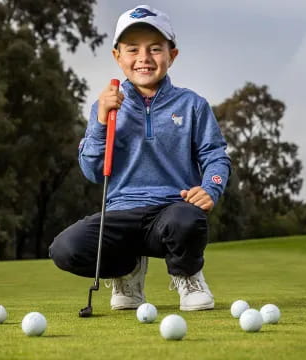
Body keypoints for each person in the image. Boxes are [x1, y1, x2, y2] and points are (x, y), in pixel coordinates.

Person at [49, 5, 231, 311]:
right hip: (120, 213)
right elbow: (93, 171)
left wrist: (210, 188)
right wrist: (101, 121)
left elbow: (215, 156)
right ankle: (126, 271)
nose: (144, 58)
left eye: (155, 48)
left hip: (172, 209)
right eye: (132, 49)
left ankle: (188, 276)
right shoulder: (104, 106)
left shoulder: (192, 104)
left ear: (172, 55)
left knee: (188, 218)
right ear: (117, 56)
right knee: (65, 248)